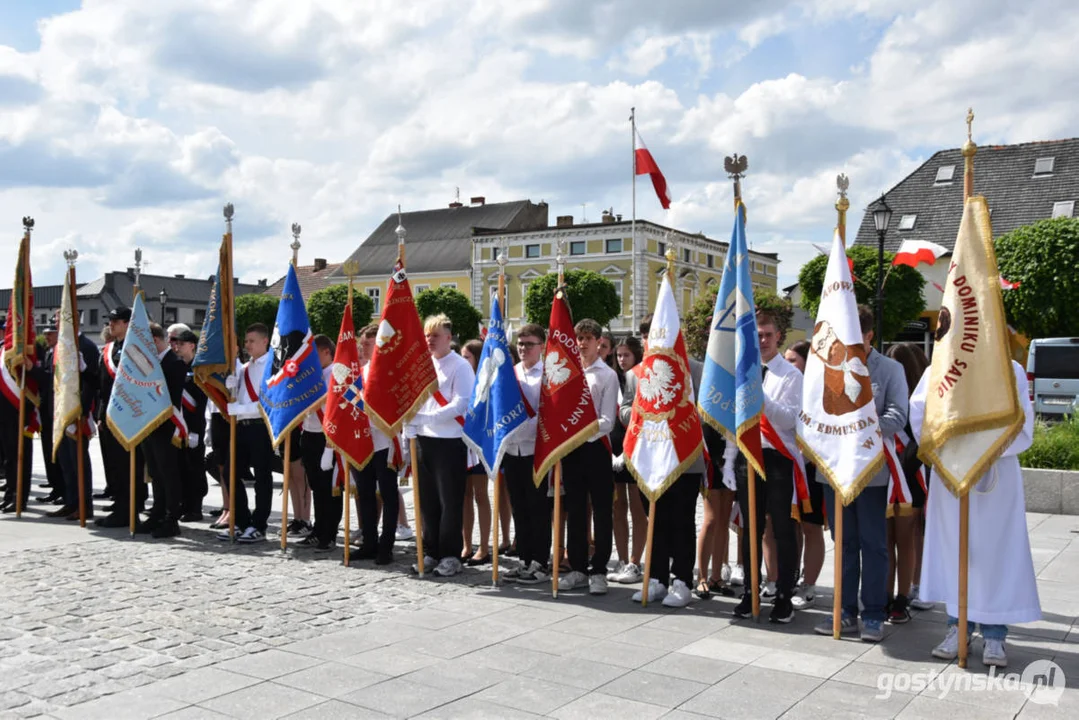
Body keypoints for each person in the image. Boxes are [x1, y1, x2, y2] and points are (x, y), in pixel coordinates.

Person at [910, 359, 1038, 667]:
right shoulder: (941, 363)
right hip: (952, 469)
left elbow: (1021, 420)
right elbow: (921, 412)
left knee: (995, 553)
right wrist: (948, 447)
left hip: (996, 471)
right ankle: (958, 627)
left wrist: (984, 449)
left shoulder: (1010, 368)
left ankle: (995, 635)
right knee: (957, 550)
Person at [813, 305, 908, 642]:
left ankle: (873, 614)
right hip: (834, 470)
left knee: (873, 543)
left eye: (855, 335)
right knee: (844, 544)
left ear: (869, 336)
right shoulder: (825, 365)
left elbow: (897, 416)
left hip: (870, 471)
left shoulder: (890, 369)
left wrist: (859, 427)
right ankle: (843, 610)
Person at [627, 316, 706, 608]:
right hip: (649, 458)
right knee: (655, 522)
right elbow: (626, 408)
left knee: (682, 521)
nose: (652, 340)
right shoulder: (635, 374)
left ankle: (683, 580)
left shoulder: (694, 369)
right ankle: (657, 578)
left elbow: (705, 410)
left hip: (684, 459)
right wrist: (639, 416)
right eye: (647, 335)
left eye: (658, 334)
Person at [732, 309, 802, 624]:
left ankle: (785, 594)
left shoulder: (791, 375)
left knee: (783, 530)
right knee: (751, 529)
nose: (762, 341)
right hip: (749, 456)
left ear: (779, 337)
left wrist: (763, 399)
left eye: (767, 335)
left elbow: (791, 420)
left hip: (777, 459)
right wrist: (730, 457)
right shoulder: (743, 370)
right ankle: (751, 591)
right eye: (757, 335)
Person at [405, 314, 475, 577]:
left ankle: (450, 554)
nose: (430, 340)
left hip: (450, 441)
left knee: (450, 502)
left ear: (448, 337)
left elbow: (461, 403)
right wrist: (409, 426)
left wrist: (426, 418)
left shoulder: (460, 366)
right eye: (427, 335)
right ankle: (430, 551)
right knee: (427, 502)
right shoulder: (423, 365)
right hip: (424, 440)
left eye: (435, 335)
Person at [558, 318, 619, 595]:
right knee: (575, 510)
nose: (582, 343)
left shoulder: (606, 375)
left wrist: (583, 430)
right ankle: (579, 568)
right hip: (572, 449)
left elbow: (607, 420)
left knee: (602, 511)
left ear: (599, 343)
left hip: (596, 449)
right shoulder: (567, 372)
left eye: (587, 339)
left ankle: (600, 570)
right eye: (578, 338)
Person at [885, 342, 932, 621]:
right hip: (894, 475)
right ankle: (899, 592)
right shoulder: (895, 398)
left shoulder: (921, 402)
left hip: (911, 474)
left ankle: (914, 588)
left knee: (909, 536)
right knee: (900, 538)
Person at [500, 324, 550, 584]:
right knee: (518, 507)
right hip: (512, 449)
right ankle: (524, 559)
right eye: (520, 343)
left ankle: (541, 561)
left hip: (536, 450)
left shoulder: (548, 375)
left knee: (537, 508)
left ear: (541, 347)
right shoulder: (510, 373)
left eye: (529, 344)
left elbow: (549, 414)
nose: (523, 348)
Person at [218, 323, 274, 543]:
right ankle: (241, 521)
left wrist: (239, 409)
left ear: (264, 341)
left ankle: (259, 524)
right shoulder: (243, 368)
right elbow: (238, 397)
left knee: (262, 476)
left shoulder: (272, 366)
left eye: (252, 341)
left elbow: (269, 404)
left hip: (261, 426)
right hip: (241, 427)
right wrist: (231, 388)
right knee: (229, 473)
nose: (247, 345)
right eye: (246, 341)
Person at [95, 307, 148, 527]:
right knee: (115, 465)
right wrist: (100, 415)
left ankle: (130, 510)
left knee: (129, 466)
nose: (111, 324)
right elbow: (102, 386)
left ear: (128, 324)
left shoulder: (136, 348)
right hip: (109, 414)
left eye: (116, 321)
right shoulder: (110, 348)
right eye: (110, 320)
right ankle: (120, 506)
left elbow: (144, 378)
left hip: (129, 415)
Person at [351, 332, 401, 565]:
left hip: (385, 440)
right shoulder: (360, 372)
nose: (363, 348)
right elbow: (351, 403)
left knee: (389, 494)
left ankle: (386, 545)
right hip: (363, 440)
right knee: (365, 493)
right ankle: (369, 541)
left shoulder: (390, 370)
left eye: (367, 344)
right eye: (362, 344)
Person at [784, 340, 825, 610]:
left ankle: (809, 584)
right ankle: (789, 578)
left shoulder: (818, 391)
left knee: (811, 527)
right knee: (790, 525)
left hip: (810, 466)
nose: (788, 366)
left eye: (793, 361)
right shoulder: (783, 384)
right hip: (787, 463)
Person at [140, 323, 189, 538]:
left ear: (156, 340)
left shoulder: (174, 363)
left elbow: (170, 396)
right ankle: (157, 513)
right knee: (155, 473)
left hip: (166, 426)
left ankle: (172, 518)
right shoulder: (151, 363)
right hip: (149, 426)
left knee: (168, 474)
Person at [51, 318, 100, 521]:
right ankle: (71, 502)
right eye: (55, 322)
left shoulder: (86, 347)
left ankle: (85, 505)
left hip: (78, 412)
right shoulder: (62, 347)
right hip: (63, 411)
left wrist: (83, 412)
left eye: (60, 321)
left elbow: (92, 381)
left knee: (79, 461)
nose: (56, 326)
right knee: (66, 462)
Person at [297, 335, 341, 552]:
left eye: (314, 354)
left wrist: (330, 447)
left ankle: (330, 533)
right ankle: (318, 529)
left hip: (328, 437)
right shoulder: (313, 375)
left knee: (329, 488)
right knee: (316, 486)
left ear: (326, 352)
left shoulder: (335, 373)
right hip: (310, 433)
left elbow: (336, 409)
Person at [609, 335, 646, 585]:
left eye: (626, 355)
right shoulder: (612, 378)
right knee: (617, 506)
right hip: (612, 449)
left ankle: (635, 562)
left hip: (635, 448)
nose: (622, 360)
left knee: (637, 508)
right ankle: (621, 559)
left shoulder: (641, 378)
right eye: (619, 355)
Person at [170, 329, 208, 522]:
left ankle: (196, 508)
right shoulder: (177, 367)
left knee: (195, 468)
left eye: (181, 344)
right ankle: (184, 504)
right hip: (179, 426)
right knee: (180, 468)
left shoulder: (199, 368)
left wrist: (195, 430)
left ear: (192, 345)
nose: (177, 347)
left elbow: (201, 401)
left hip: (194, 425)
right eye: (176, 344)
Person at [460, 338, 492, 565]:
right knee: (464, 496)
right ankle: (466, 544)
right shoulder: (461, 379)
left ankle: (483, 546)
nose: (463, 361)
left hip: (479, 443)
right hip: (460, 442)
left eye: (467, 357)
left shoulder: (484, 381)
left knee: (481, 495)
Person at [37, 323, 64, 504]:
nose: (47, 338)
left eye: (50, 334)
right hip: (46, 409)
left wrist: (32, 369)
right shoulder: (48, 352)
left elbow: (49, 377)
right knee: (48, 450)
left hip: (57, 409)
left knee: (60, 453)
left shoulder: (60, 352)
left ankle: (63, 488)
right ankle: (55, 486)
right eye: (45, 335)